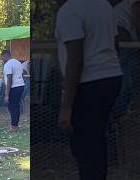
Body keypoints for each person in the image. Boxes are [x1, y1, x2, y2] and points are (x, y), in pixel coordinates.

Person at [55, 0, 123, 179]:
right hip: (112, 77)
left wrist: (66, 107)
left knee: (84, 145)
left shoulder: (69, 11)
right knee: (96, 138)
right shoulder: (103, 5)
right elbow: (115, 44)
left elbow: (75, 59)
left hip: (88, 83)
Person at [0, 50, 25, 132]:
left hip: (14, 87)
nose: (2, 59)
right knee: (15, 106)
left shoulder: (8, 64)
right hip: (21, 85)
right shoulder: (17, 62)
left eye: (2, 57)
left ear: (6, 55)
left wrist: (7, 94)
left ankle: (14, 126)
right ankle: (15, 125)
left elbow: (9, 79)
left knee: (12, 107)